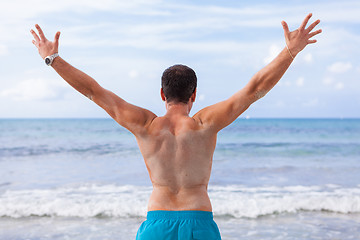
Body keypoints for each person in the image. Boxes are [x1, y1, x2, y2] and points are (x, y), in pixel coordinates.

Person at [31, 13, 322, 240]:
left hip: (157, 223)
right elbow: (255, 90)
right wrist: (290, 52)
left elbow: (94, 91)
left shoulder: (144, 124)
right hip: (200, 222)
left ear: (162, 94)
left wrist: (52, 59)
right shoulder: (205, 124)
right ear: (194, 95)